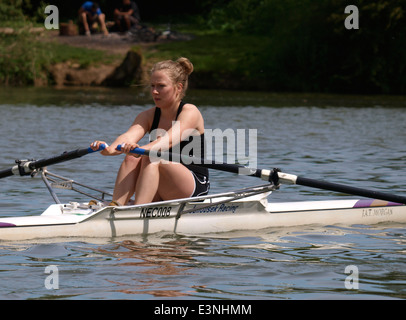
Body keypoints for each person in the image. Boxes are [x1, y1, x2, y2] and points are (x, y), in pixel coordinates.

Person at [91, 57, 209, 206]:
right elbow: (128, 136)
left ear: (178, 88)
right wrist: (108, 149)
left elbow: (168, 141)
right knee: (132, 158)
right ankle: (116, 206)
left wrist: (139, 149)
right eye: (152, 85)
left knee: (150, 155)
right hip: (159, 183)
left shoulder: (190, 112)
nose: (154, 91)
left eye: (161, 86)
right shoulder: (148, 115)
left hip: (192, 187)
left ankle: (138, 210)